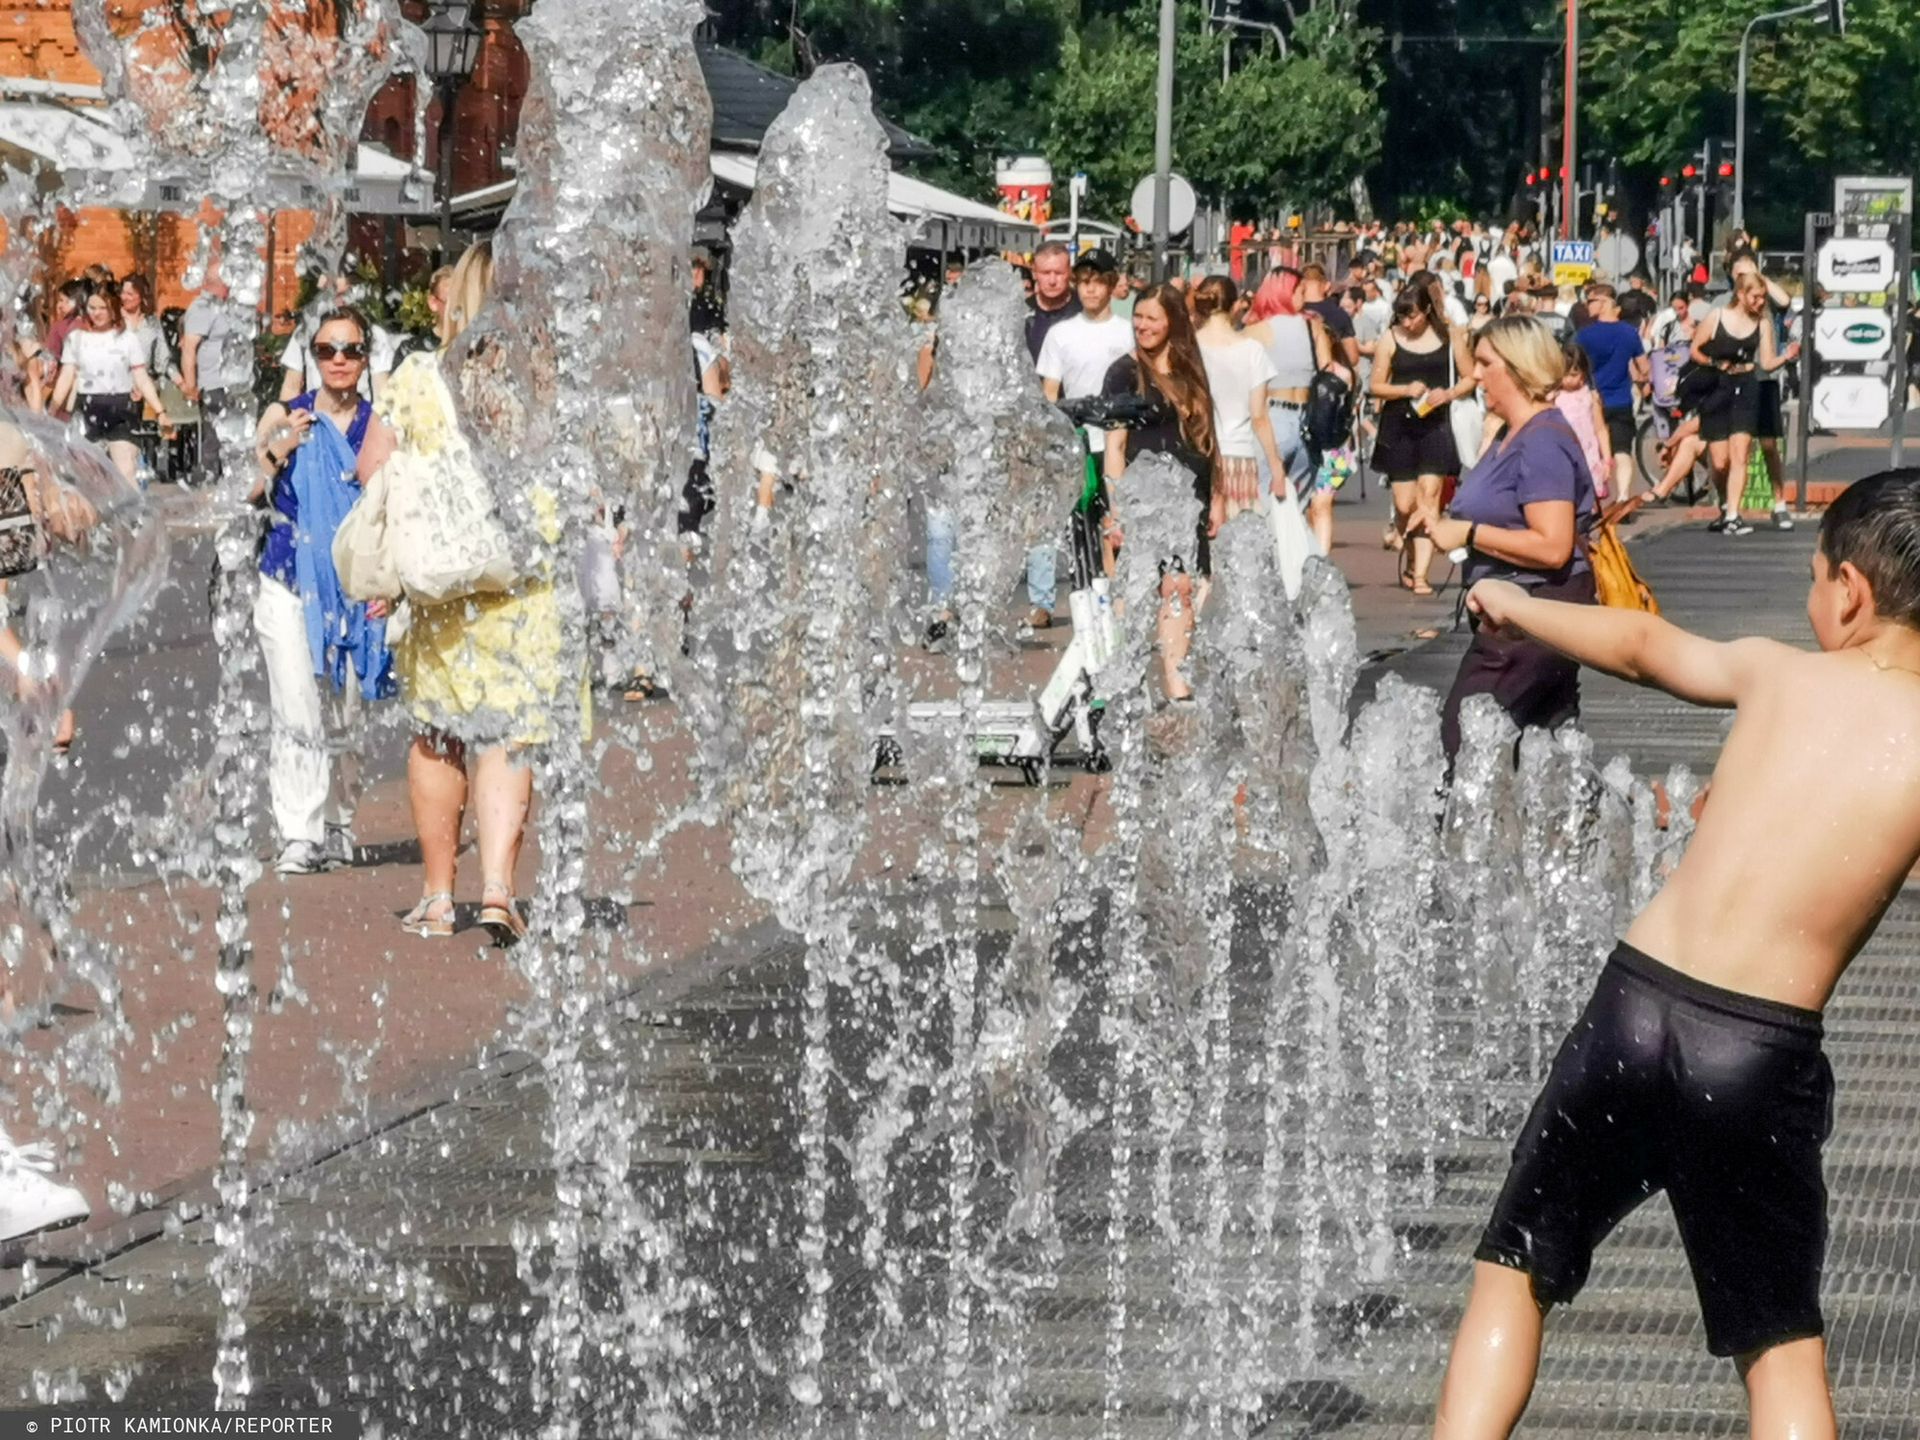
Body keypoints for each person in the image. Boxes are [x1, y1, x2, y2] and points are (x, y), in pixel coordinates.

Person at [1432, 469, 1920, 1440]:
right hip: (1758, 1049)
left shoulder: (1778, 674)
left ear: (1850, 592)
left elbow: (1644, 645)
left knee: (1515, 1272)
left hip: (1635, 1006)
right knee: (1780, 1354)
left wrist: (1518, 604)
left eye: (1812, 580)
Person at [357, 242, 569, 946]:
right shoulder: (537, 377)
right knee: (510, 733)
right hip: (519, 581)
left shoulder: (417, 376)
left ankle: (439, 897)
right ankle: (500, 892)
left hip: (440, 582)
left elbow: (372, 469)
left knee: (437, 731)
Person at [1408, 317, 1596, 757]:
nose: (1475, 375)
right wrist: (1442, 522)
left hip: (1532, 617)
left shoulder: (1542, 442)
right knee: (1548, 751)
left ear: (1517, 367)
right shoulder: (1511, 434)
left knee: (1462, 744)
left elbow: (1553, 546)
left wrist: (1470, 533)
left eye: (1485, 363)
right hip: (1519, 615)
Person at [249, 306, 393, 876]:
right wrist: (278, 451)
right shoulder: (285, 413)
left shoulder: (381, 424)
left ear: (365, 358)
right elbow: (247, 489)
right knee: (296, 708)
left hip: (354, 586)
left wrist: (391, 585)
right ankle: (298, 831)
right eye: (327, 350)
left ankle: (338, 821)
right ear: (312, 357)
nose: (338, 360)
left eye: (350, 350)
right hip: (286, 579)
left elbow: (396, 506)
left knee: (347, 713)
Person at [1100, 283, 1215, 699]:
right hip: (1142, 497)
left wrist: (1216, 498)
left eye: (1152, 318)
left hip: (1188, 498)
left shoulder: (1189, 369)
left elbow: (1206, 437)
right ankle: (1124, 684)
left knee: (1181, 587)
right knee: (1135, 592)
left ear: (1173, 322)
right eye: (1138, 317)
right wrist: (1116, 509)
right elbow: (1115, 446)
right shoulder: (1124, 373)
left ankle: (1176, 682)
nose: (1142, 325)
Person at [1034, 249, 1132, 629]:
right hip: (1079, 446)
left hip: (1121, 445)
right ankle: (1087, 607)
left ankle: (1119, 604)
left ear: (1111, 285)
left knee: (1117, 526)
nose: (1090, 290)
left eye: (1098, 282)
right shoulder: (1061, 334)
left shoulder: (1127, 332)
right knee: (1080, 530)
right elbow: (1050, 393)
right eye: (1084, 282)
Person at [1371, 284, 1476, 597]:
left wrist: (1449, 393)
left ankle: (1421, 575)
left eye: (1412, 316)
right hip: (1399, 426)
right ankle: (1410, 557)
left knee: (1429, 498)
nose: (1407, 323)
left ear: (1427, 310)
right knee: (1405, 505)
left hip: (1435, 425)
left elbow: (1471, 377)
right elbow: (1376, 385)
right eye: (1402, 317)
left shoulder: (1450, 336)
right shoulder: (1390, 338)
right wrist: (1404, 390)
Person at [1691, 271, 1793, 537]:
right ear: (1741, 294)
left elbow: (1767, 362)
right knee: (1720, 461)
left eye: (1763, 297)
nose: (1761, 302)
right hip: (1717, 387)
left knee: (1741, 453)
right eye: (1755, 297)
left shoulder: (1762, 323)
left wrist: (1787, 356)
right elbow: (1695, 349)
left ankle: (1733, 515)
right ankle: (1726, 505)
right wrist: (1714, 363)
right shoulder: (1717, 317)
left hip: (1747, 386)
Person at [1243, 268, 1338, 552]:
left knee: (1265, 501)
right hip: (1307, 420)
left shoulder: (1255, 331)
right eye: (1299, 291)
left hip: (1271, 415)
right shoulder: (1313, 326)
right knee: (1299, 504)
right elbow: (1328, 373)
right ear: (1285, 292)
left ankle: (1272, 561)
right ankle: (1294, 563)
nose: (1303, 297)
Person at [1189, 275, 1291, 538]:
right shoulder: (1252, 350)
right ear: (1235, 306)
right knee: (1240, 544)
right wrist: (1276, 466)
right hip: (1240, 456)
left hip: (1199, 454)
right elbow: (1259, 416)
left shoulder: (1189, 349)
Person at [50, 286, 173, 487]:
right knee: (87, 477)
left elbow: (141, 377)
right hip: (87, 409)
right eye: (92, 308)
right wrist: (52, 410)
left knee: (126, 470)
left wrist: (160, 412)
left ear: (113, 309)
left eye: (103, 308)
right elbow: (66, 376)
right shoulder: (77, 339)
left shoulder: (127, 339)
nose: (96, 313)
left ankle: (133, 508)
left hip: (120, 410)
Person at [1573, 283, 1647, 505]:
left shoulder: (1584, 336)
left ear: (1604, 303)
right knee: (1622, 450)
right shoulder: (1630, 333)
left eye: (1590, 301)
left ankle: (1591, 499)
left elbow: (1573, 367)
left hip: (1592, 401)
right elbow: (1644, 367)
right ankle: (1623, 496)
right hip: (1621, 400)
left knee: (1590, 450)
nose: (1586, 306)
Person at [180, 262, 251, 487]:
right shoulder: (203, 308)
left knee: (235, 441)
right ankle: (207, 487)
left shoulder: (227, 306)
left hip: (234, 385)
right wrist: (191, 385)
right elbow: (189, 348)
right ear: (221, 283)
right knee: (214, 441)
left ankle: (232, 487)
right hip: (214, 384)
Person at [279, 276, 395, 402]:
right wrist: (286, 412)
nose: (340, 302)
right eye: (324, 350)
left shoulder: (374, 334)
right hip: (316, 412)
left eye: (352, 350)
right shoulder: (305, 332)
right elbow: (291, 389)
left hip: (360, 412)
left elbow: (381, 394)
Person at [1553, 341, 1611, 504]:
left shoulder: (1590, 397)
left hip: (1589, 458)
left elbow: (1600, 429)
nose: (1567, 380)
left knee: (1590, 503)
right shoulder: (1553, 398)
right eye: (1564, 374)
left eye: (1573, 375)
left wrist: (1607, 460)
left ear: (1583, 373)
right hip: (1562, 458)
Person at [1024, 240, 1081, 363]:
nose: (1052, 281)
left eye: (1059, 273)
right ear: (1034, 273)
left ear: (1069, 272)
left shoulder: (1084, 310)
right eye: (1045, 273)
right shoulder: (1023, 312)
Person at [1297, 263, 1359, 371]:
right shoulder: (1340, 314)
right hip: (1329, 374)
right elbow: (1352, 358)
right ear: (1327, 286)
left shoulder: (1293, 313)